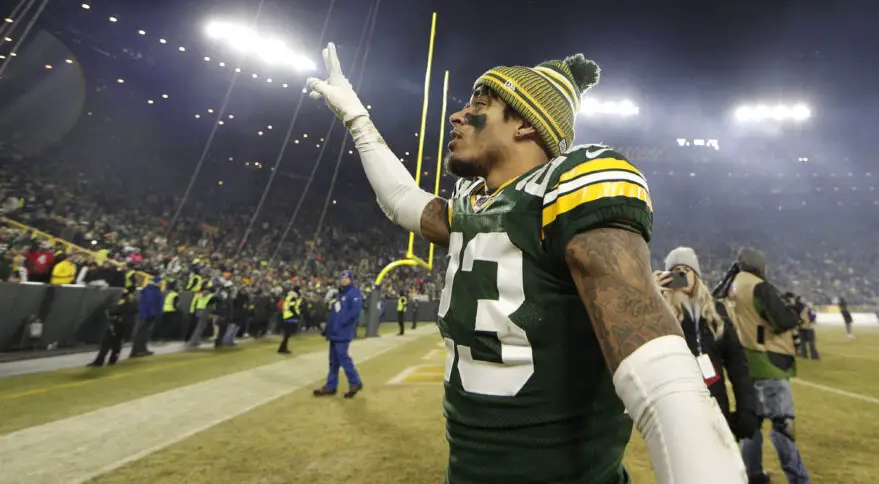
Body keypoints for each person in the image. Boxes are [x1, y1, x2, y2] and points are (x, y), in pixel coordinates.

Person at [308, 43, 745, 484]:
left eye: (479, 104)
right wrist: (356, 118)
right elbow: (403, 200)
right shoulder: (475, 206)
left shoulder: (568, 187)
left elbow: (655, 362)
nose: (458, 116)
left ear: (525, 125)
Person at [725, 249, 811, 484]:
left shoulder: (734, 286)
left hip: (747, 361)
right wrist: (798, 312)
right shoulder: (758, 286)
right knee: (783, 425)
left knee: (753, 425)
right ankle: (799, 479)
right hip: (768, 362)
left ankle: (753, 475)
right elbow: (782, 320)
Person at [655, 247, 758, 441]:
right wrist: (649, 294)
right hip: (678, 413)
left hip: (716, 409)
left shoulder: (716, 313)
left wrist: (747, 408)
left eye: (687, 269)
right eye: (676, 270)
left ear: (697, 275)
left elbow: (738, 364)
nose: (682, 274)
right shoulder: (660, 313)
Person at [314, 270, 363, 399]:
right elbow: (334, 314)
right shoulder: (340, 294)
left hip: (343, 332)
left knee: (343, 358)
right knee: (333, 361)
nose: (343, 280)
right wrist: (328, 328)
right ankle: (331, 386)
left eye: (346, 278)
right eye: (342, 277)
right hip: (334, 332)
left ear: (351, 279)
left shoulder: (354, 293)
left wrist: (342, 323)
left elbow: (354, 312)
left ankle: (355, 382)